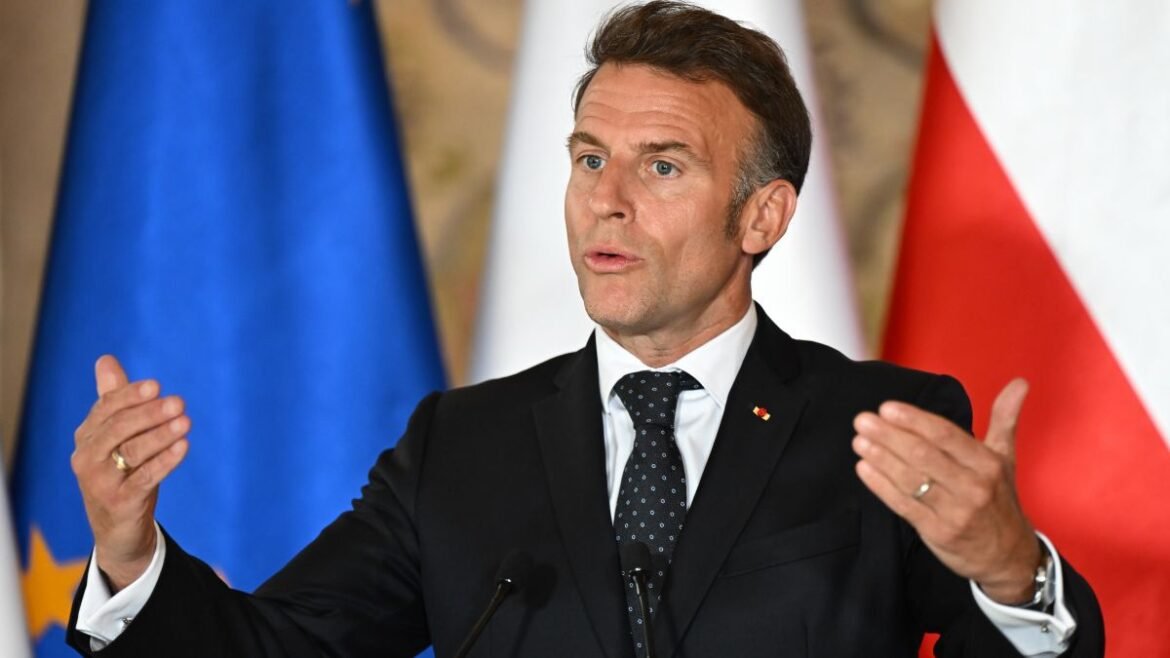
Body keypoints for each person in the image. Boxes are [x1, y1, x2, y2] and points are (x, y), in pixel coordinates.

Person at [66, 2, 1103, 656]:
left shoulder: (881, 425)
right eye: (589, 158)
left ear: (763, 216)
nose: (607, 200)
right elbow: (274, 649)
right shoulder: (458, 449)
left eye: (663, 166)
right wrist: (127, 552)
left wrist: (1011, 573)